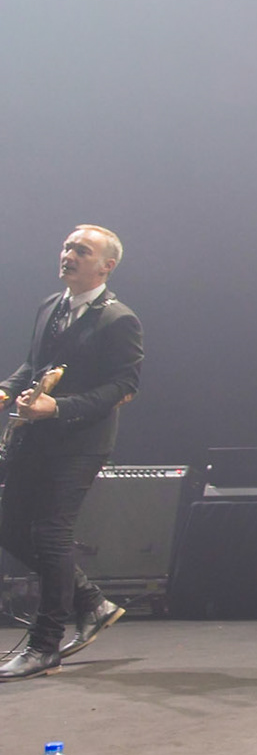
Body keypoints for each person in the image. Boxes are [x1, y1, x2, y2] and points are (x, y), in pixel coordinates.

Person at [0, 226, 143, 680]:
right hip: (35, 437)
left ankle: (45, 645)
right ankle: (90, 602)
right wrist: (6, 391)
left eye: (82, 250)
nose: (69, 255)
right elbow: (33, 364)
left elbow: (124, 386)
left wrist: (57, 407)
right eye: (66, 246)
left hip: (80, 444)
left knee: (51, 533)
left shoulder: (118, 319)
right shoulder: (51, 305)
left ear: (107, 265)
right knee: (7, 524)